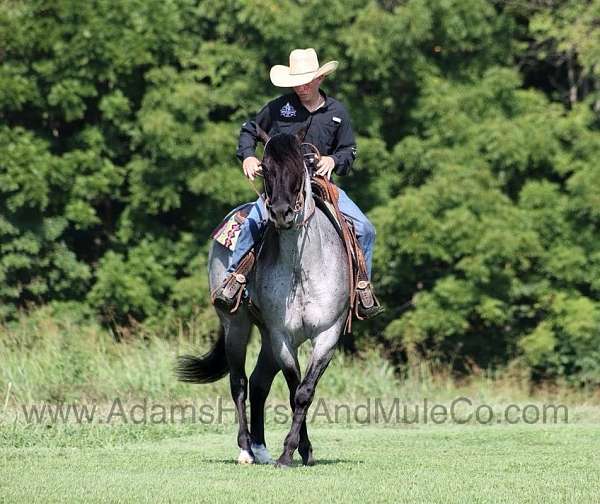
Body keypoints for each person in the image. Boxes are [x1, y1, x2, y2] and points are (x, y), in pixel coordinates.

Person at [213, 48, 383, 319]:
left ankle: (363, 286)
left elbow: (349, 151)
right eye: (296, 81)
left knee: (365, 228)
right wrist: (247, 157)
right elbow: (249, 129)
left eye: (306, 80)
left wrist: (332, 160)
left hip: (320, 184)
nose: (301, 87)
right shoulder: (279, 108)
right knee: (254, 222)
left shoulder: (337, 112)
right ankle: (234, 280)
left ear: (319, 79)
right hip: (282, 185)